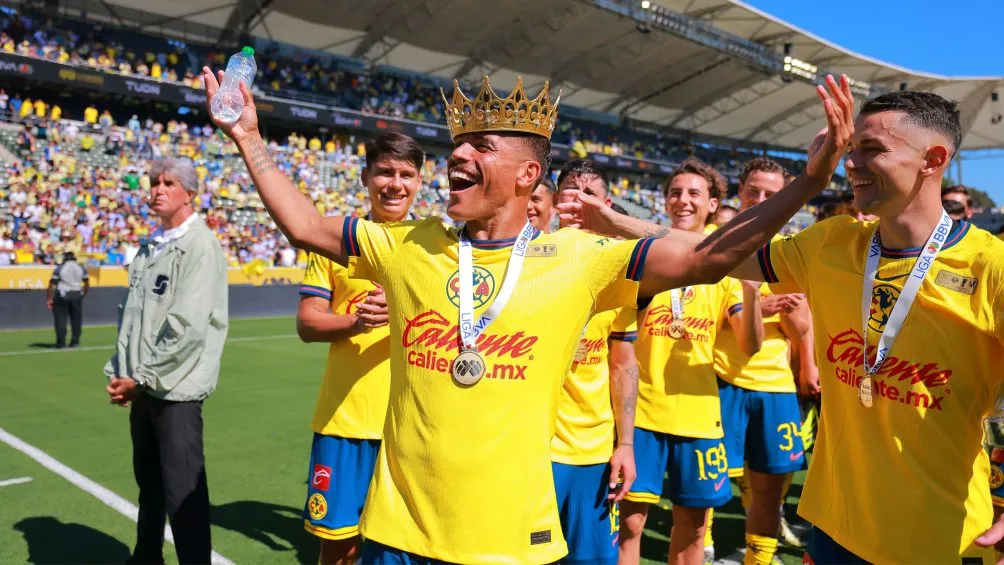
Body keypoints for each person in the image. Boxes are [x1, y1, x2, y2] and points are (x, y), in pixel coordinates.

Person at [202, 66, 853, 563]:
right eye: (457, 144)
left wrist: (808, 184)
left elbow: (709, 257)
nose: (458, 155)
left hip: (515, 538)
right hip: (396, 535)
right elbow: (307, 225)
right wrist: (250, 136)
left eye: (480, 145)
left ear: (527, 173)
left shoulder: (581, 257)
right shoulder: (408, 245)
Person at [570, 87, 1004, 564]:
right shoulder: (831, 243)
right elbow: (710, 251)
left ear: (933, 159)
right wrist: (616, 223)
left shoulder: (990, 268)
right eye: (851, 148)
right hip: (836, 525)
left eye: (873, 149)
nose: (852, 163)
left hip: (942, 537)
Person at [615, 157, 764, 565]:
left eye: (694, 193)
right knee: (629, 525)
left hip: (699, 416)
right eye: (675, 192)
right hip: (640, 414)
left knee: (695, 528)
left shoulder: (727, 267)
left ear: (713, 205)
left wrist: (751, 292)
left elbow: (750, 346)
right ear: (664, 202)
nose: (683, 200)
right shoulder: (638, 256)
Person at [296, 132, 422, 564]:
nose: (395, 183)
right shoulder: (335, 241)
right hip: (345, 420)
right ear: (366, 177)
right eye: (385, 171)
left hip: (411, 426)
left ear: (420, 182)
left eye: (406, 174)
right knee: (339, 546)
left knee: (401, 548)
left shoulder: (435, 246)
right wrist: (356, 321)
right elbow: (308, 322)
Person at [103, 157, 229, 565]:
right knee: (150, 486)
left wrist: (139, 377)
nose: (157, 189)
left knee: (184, 495)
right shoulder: (150, 246)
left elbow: (186, 327)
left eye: (168, 183)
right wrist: (121, 374)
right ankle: (146, 557)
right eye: (155, 182)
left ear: (189, 193)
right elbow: (132, 321)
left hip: (175, 391)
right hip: (143, 387)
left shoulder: (200, 246)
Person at [712, 158, 819, 563]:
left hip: (774, 382)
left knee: (772, 482)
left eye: (770, 194)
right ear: (740, 190)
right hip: (722, 374)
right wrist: (757, 305)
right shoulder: (715, 240)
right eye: (753, 191)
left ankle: (759, 557)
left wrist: (806, 363)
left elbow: (802, 319)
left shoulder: (792, 249)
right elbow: (703, 310)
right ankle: (703, 546)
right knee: (714, 482)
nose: (759, 199)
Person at [551, 159, 639, 564]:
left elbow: (622, 364)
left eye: (590, 195)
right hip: (530, 449)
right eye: (571, 192)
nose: (579, 202)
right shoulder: (526, 260)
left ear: (605, 204)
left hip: (592, 451)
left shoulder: (620, 272)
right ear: (555, 201)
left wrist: (625, 444)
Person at [47, 251, 89, 348]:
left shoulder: (59, 268)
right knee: (76, 320)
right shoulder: (81, 268)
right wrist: (83, 294)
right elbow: (86, 283)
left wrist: (49, 298)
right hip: (77, 293)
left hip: (62, 294)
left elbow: (51, 284)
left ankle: (61, 342)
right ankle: (75, 341)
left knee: (61, 319)